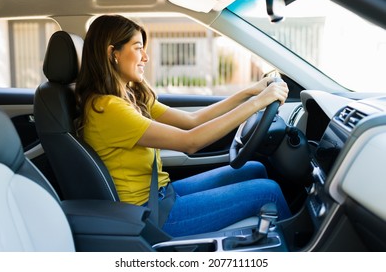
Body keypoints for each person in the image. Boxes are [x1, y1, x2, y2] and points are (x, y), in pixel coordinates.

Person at [75, 14, 291, 237]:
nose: (146, 57)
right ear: (113, 54)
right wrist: (259, 102)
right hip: (148, 214)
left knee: (254, 168)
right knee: (270, 192)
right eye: (138, 48)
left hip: (162, 195)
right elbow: (191, 142)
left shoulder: (129, 96)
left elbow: (192, 120)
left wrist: (250, 91)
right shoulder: (107, 108)